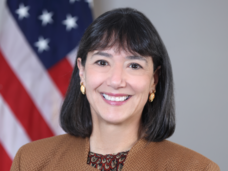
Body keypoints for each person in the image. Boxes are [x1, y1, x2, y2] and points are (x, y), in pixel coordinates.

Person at [11, 8, 220, 171]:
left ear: (153, 80)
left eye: (134, 65)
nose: (116, 80)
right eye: (102, 62)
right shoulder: (30, 162)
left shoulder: (196, 168)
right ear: (82, 72)